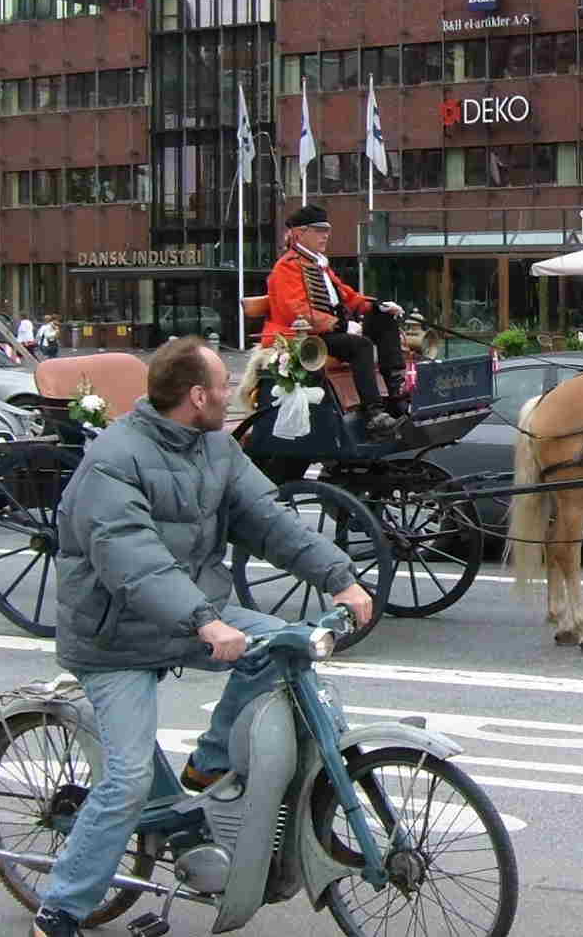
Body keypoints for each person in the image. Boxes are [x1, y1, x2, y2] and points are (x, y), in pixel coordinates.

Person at [29, 337, 374, 937]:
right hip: (117, 639)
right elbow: (133, 561)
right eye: (222, 386)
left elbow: (267, 519)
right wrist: (205, 621)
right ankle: (61, 906)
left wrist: (340, 577)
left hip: (194, 616)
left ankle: (209, 768)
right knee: (128, 781)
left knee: (285, 648)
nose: (229, 394)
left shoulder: (215, 447)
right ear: (196, 397)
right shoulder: (115, 458)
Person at [264, 205, 406, 437]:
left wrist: (378, 306)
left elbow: (348, 297)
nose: (326, 235)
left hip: (328, 332)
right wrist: (340, 325)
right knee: (360, 346)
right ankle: (374, 414)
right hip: (306, 338)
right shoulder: (286, 268)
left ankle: (395, 395)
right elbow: (297, 312)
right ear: (300, 234)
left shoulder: (319, 264)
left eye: (327, 230)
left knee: (384, 321)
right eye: (319, 230)